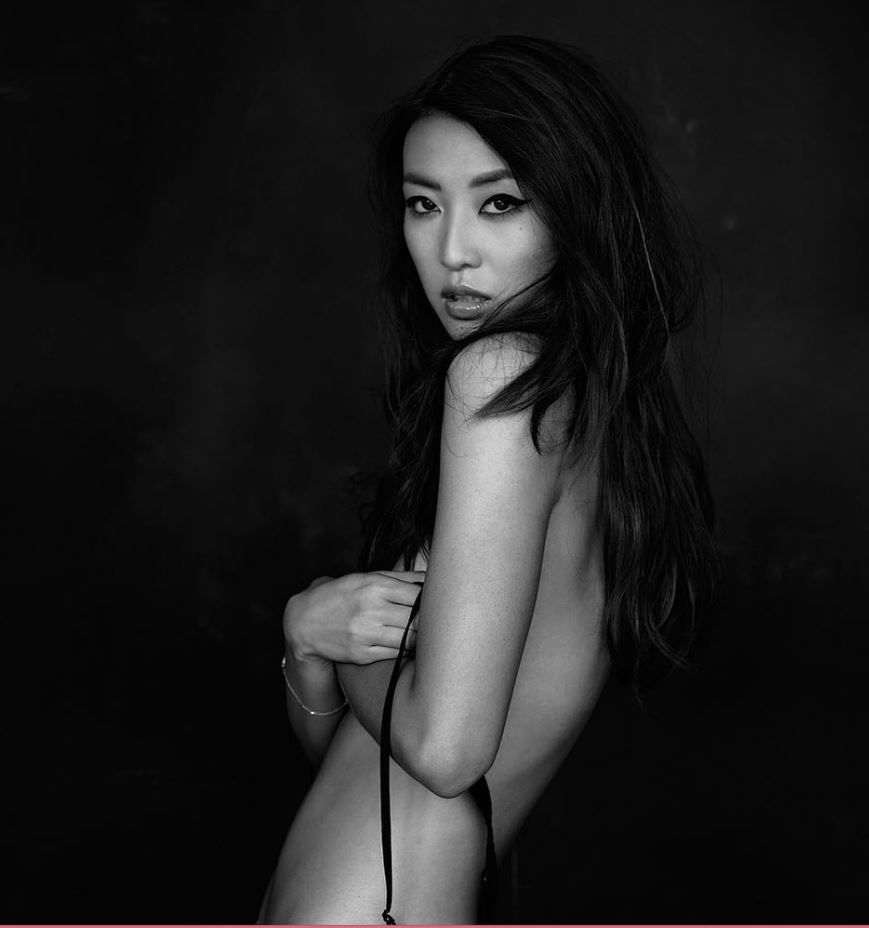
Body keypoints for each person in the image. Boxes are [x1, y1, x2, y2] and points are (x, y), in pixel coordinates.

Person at [258, 35, 717, 925]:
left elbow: (444, 752)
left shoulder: (502, 380)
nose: (452, 250)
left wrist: (324, 628)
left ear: (576, 210)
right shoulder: (584, 411)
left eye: (499, 202)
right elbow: (361, 772)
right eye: (422, 204)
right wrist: (308, 653)